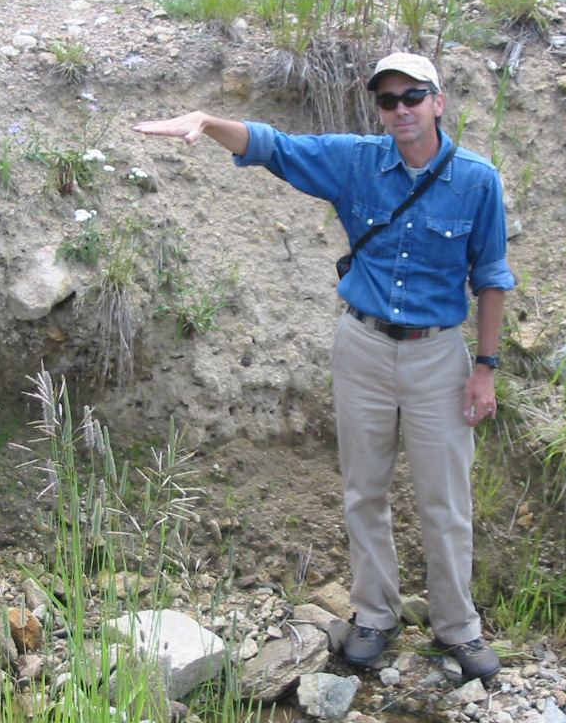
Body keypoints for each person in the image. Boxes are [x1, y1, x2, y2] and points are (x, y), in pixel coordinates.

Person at [134, 52, 515, 680]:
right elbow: (274, 146)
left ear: (438, 102)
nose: (400, 110)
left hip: (438, 354)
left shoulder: (478, 180)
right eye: (387, 100)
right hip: (361, 347)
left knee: (445, 499)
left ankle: (457, 627)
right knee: (364, 490)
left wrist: (486, 367)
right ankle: (374, 614)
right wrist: (206, 120)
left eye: (412, 96)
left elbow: (492, 278)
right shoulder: (355, 161)